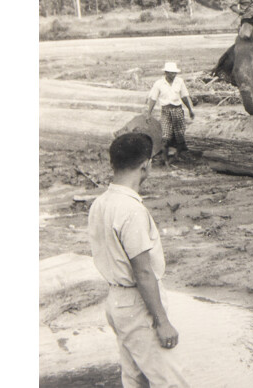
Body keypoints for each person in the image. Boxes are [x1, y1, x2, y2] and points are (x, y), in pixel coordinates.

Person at [89, 133, 189, 387]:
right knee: (171, 382)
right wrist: (162, 322)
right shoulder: (131, 209)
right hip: (138, 304)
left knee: (135, 378)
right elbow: (143, 272)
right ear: (146, 164)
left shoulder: (100, 203)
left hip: (116, 300)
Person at [146, 62, 195, 160]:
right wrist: (148, 113)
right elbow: (153, 99)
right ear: (166, 73)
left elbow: (184, 96)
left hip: (178, 110)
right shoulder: (159, 83)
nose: (174, 75)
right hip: (166, 111)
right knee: (166, 136)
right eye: (171, 73)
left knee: (180, 134)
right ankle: (165, 159)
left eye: (175, 73)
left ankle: (178, 155)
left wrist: (190, 109)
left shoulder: (179, 82)